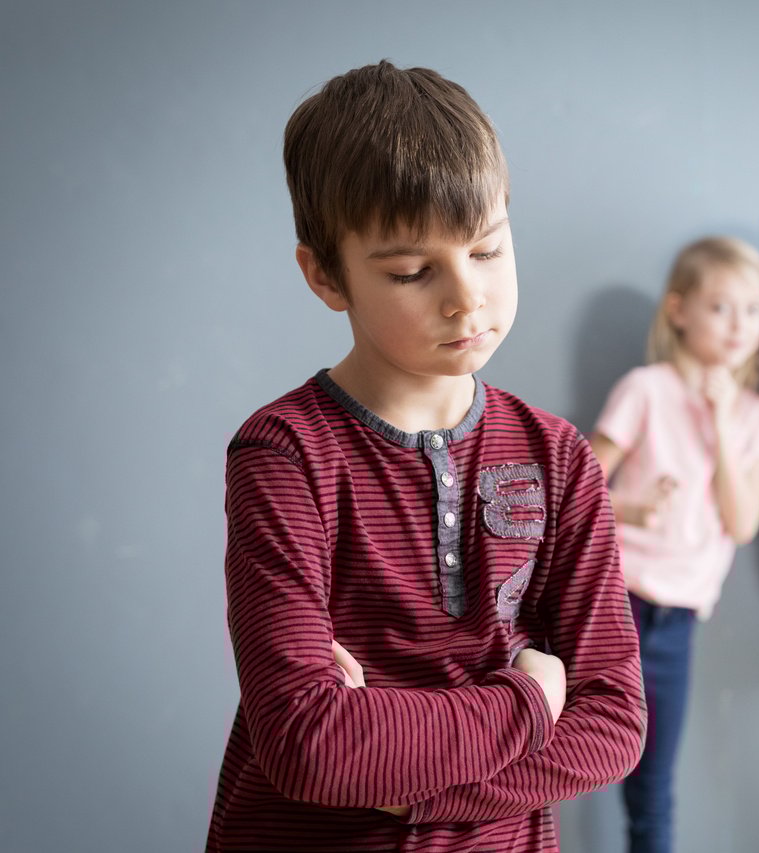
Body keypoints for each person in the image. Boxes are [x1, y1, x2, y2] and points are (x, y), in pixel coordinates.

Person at [205, 61, 646, 853]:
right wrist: (527, 701)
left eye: (487, 250)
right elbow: (308, 742)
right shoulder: (284, 455)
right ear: (325, 275)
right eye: (412, 271)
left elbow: (613, 720)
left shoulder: (559, 457)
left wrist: (406, 785)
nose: (465, 298)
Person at [589, 237, 759, 853]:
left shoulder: (756, 416)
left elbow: (742, 521)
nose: (739, 326)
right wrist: (633, 509)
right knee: (560, 756)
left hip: (676, 623)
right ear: (679, 310)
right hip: (613, 603)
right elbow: (578, 494)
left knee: (653, 784)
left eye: (753, 310)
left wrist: (722, 419)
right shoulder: (646, 388)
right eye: (721, 307)